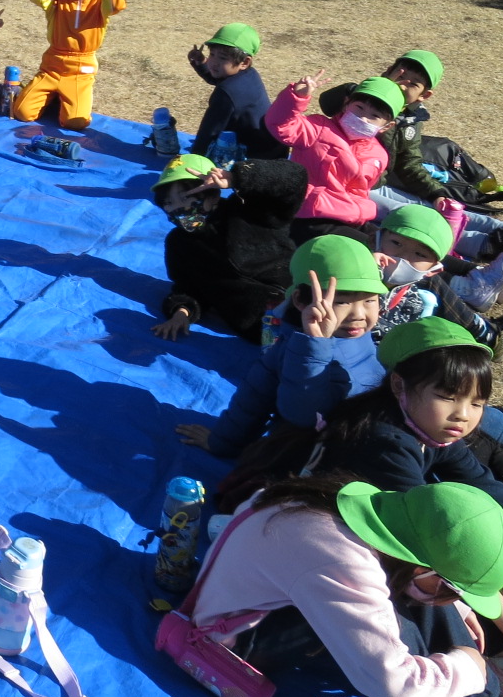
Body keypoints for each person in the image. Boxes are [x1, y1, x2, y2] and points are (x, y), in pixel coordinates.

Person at [187, 476, 503, 697]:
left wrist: (458, 609)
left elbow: (421, 577)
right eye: (454, 591)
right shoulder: (341, 561)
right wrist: (469, 667)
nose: (455, 602)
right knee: (395, 617)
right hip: (238, 636)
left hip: (281, 597)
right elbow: (391, 681)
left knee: (418, 597)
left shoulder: (386, 516)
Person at [314, 322, 503, 697]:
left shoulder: (430, 428)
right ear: (399, 385)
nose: (464, 415)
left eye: (477, 404)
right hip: (337, 540)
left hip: (391, 529)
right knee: (431, 587)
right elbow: (430, 551)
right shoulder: (384, 440)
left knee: (499, 534)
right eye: (448, 396)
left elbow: (490, 491)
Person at [177, 234, 386, 461]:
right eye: (342, 301)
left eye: (369, 300)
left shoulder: (359, 335)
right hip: (318, 457)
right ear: (300, 300)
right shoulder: (292, 350)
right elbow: (263, 402)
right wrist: (222, 441)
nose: (359, 315)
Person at [319, 51, 503, 265]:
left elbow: (409, 163)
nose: (403, 84)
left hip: (376, 182)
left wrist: (437, 194)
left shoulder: (411, 119)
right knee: (409, 218)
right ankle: (485, 245)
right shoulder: (363, 101)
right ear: (388, 72)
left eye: (413, 83)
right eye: (401, 75)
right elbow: (328, 104)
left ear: (424, 95)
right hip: (347, 185)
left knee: (429, 205)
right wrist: (380, 86)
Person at [149, 152, 306, 344]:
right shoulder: (179, 243)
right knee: (294, 357)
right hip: (261, 325)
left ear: (212, 193)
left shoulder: (250, 209)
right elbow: (188, 286)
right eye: (169, 202)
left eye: (185, 197)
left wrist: (236, 177)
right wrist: (182, 311)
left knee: (338, 342)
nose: (177, 209)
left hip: (309, 294)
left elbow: (295, 176)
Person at [371, 204, 503, 362]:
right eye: (396, 243)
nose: (403, 256)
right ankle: (487, 333)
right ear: (377, 238)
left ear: (433, 269)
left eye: (419, 254)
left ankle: (485, 328)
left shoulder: (416, 299)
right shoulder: (356, 265)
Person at [264, 72, 404, 244]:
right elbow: (280, 124)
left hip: (351, 217)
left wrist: (359, 214)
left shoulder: (378, 154)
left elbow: (361, 190)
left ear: (387, 126)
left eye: (374, 116)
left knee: (396, 242)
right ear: (346, 104)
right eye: (359, 108)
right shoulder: (317, 129)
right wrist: (297, 96)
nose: (363, 118)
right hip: (310, 216)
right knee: (375, 247)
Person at [11, 0, 126, 130]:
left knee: (75, 123)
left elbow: (116, 5)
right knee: (22, 112)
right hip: (52, 66)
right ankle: (54, 97)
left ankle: (65, 100)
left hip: (80, 70)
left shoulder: (100, 0)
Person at [185, 22, 284, 161]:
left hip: (254, 157)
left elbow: (209, 131)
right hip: (274, 148)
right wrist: (201, 63)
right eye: (212, 54)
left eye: (223, 58)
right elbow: (219, 78)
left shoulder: (227, 92)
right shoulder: (249, 75)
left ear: (244, 62)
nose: (213, 62)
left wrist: (194, 160)